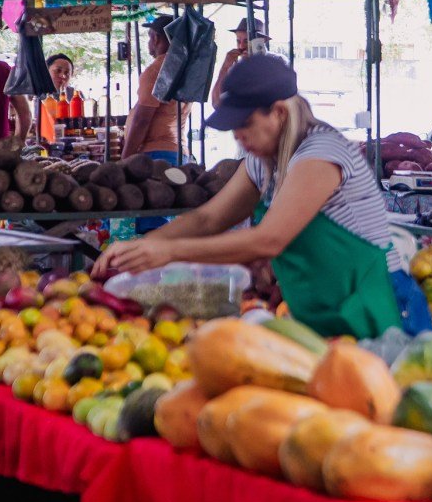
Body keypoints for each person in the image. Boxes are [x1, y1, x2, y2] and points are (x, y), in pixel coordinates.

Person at [93, 55, 404, 338]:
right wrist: (143, 246)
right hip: (322, 310)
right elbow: (207, 219)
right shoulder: (262, 160)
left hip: (375, 306)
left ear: (279, 113)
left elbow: (269, 240)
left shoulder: (322, 153)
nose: (238, 137)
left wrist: (169, 252)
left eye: (245, 125)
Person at [122, 15, 191, 162]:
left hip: (156, 154)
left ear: (156, 38)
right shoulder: (185, 66)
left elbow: (142, 120)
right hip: (178, 151)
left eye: (149, 37)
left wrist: (125, 159)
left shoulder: (157, 70)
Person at [211, 18, 271, 109]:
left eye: (246, 41)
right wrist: (225, 67)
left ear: (260, 42)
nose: (241, 46)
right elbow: (216, 103)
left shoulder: (276, 63)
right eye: (238, 41)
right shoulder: (235, 67)